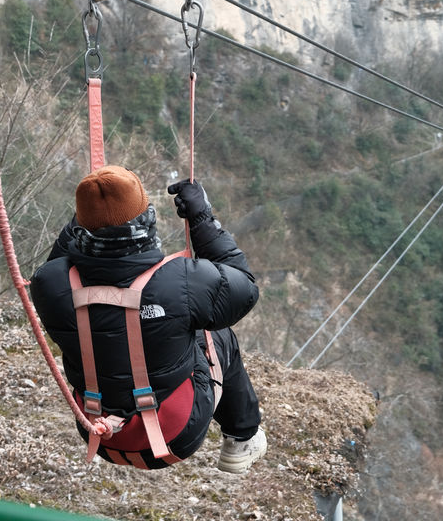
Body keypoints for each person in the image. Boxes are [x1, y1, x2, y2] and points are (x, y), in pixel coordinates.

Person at [30, 164, 266, 473]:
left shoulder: (50, 283)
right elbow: (244, 289)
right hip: (175, 434)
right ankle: (242, 437)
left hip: (99, 432)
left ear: (81, 227)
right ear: (145, 220)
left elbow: (61, 260)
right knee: (217, 334)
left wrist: (89, 214)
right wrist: (202, 219)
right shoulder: (181, 281)